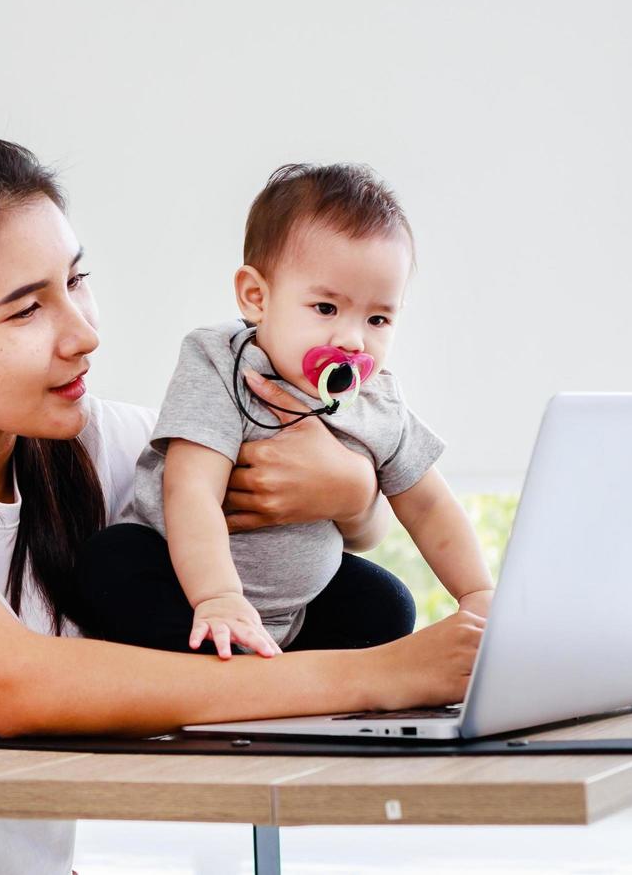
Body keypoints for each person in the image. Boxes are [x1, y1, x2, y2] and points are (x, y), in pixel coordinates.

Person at [0, 133, 483, 875]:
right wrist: (385, 675)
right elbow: (10, 684)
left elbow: (341, 523)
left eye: (76, 282)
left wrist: (352, 489)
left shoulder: (86, 441)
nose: (83, 334)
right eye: (26, 310)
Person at [77, 164, 495, 660]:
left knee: (387, 604)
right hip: (186, 586)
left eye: (378, 318)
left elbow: (429, 506)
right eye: (325, 308)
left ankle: (278, 672)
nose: (352, 339)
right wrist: (219, 597)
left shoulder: (378, 402)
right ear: (257, 297)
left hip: (296, 607)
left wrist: (479, 596)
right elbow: (190, 489)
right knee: (110, 564)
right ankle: (227, 669)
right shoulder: (221, 363)